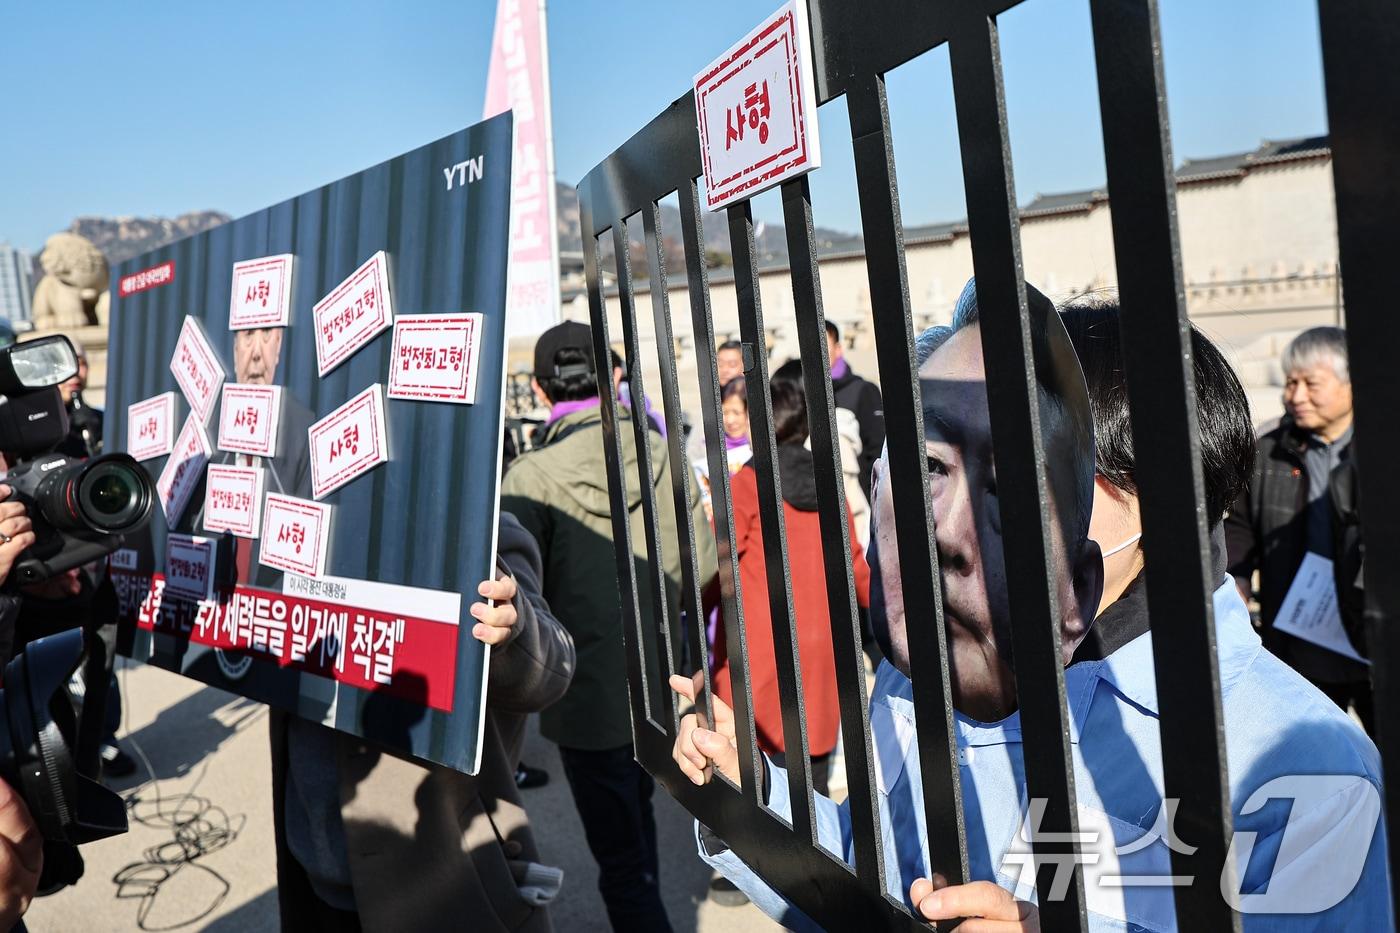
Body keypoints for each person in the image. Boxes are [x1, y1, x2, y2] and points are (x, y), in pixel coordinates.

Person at [674, 283, 1391, 929]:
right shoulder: (928, 668)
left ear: (1161, 490)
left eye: (1014, 471)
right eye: (937, 467)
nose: (950, 524)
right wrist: (755, 796)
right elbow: (870, 875)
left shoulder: (1300, 759)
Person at [502, 320, 715, 933]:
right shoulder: (662, 451)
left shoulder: (529, 479)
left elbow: (522, 606)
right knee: (642, 822)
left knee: (620, 856)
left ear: (543, 393)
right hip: (662, 687)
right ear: (615, 379)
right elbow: (700, 565)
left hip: (585, 699)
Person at [271, 512, 576, 931]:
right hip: (318, 859)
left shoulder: (485, 526)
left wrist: (513, 629)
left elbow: (552, 671)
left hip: (440, 876)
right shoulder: (307, 520)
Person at [711, 364, 870, 796]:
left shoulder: (745, 484)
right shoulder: (827, 481)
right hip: (821, 651)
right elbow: (856, 568)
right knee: (811, 790)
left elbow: (717, 566)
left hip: (762, 648)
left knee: (755, 789)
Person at [1225, 326, 1372, 731]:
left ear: (1350, 383)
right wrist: (1236, 579)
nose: (1296, 395)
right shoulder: (1269, 451)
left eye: (1311, 383)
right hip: (1302, 635)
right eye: (1291, 382)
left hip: (1374, 633)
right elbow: (1239, 526)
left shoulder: (1381, 445)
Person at [826, 320, 884, 503]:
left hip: (859, 500)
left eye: (822, 345)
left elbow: (877, 450)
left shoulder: (863, 391)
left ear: (838, 349)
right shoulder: (800, 393)